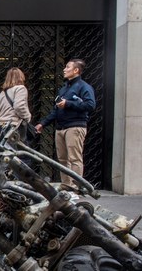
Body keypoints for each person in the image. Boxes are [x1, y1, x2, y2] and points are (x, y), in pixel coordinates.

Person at [35, 59, 95, 190]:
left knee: (74, 158)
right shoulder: (64, 89)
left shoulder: (84, 87)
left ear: (76, 70)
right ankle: (66, 185)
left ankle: (76, 186)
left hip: (75, 126)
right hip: (61, 127)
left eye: (67, 67)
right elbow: (56, 110)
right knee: (62, 159)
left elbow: (90, 105)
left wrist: (68, 104)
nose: (64, 69)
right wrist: (43, 123)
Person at [0, 67, 32, 140]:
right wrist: (27, 117)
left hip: (3, 127)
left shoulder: (2, 94)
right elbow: (19, 106)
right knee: (21, 150)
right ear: (21, 76)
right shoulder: (20, 88)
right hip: (15, 126)